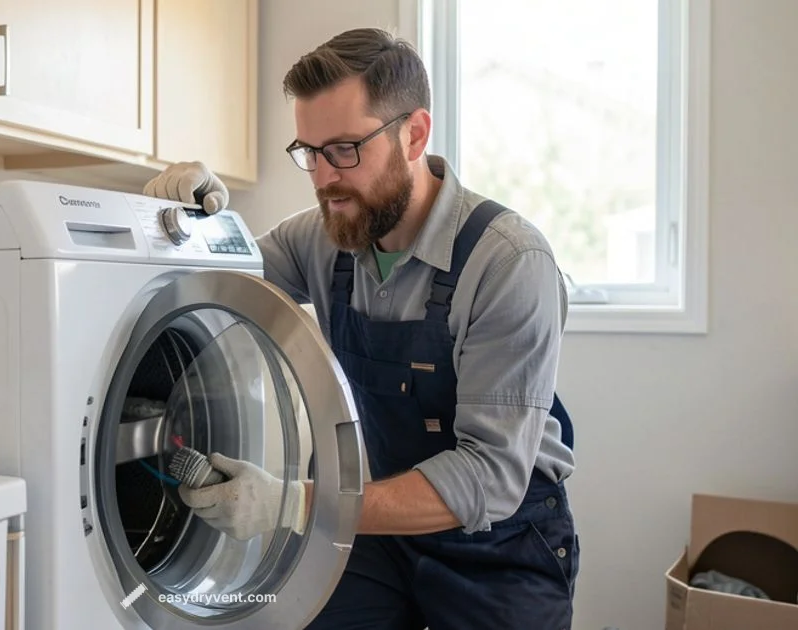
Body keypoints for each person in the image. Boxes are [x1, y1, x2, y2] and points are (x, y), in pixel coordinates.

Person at [142, 27, 579, 630]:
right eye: (309, 152)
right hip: (385, 526)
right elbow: (219, 280)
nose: (324, 179)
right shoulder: (323, 238)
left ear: (414, 134)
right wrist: (194, 220)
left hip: (501, 546)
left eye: (345, 149)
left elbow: (488, 479)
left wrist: (292, 503)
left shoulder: (508, 263)